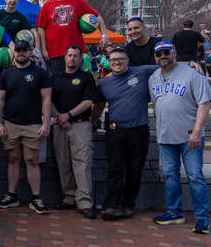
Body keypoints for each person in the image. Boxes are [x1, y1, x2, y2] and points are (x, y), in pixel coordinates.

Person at [148, 41, 211, 234]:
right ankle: (175, 213)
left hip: (189, 136)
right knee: (170, 176)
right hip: (165, 136)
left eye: (166, 53)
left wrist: (197, 130)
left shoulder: (193, 74)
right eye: (159, 54)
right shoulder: (153, 78)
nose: (163, 57)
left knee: (195, 177)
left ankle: (202, 219)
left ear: (174, 52)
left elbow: (205, 103)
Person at [90, 47, 158, 221]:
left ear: (128, 60)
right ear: (108, 62)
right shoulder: (105, 83)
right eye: (113, 60)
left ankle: (128, 205)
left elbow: (165, 65)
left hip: (139, 130)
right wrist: (91, 123)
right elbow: (98, 105)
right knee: (115, 169)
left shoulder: (142, 72)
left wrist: (189, 64)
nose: (117, 62)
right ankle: (112, 206)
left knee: (135, 170)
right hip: (115, 131)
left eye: (120, 59)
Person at [0, 40, 52, 214]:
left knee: (31, 160)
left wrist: (46, 123)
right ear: (15, 53)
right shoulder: (6, 74)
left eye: (24, 51)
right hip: (11, 123)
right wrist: (0, 123)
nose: (21, 53)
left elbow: (47, 99)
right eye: (18, 51)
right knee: (13, 159)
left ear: (30, 52)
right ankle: (11, 196)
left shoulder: (40, 73)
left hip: (33, 123)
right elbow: (0, 101)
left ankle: (36, 198)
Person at [50, 46, 99, 219]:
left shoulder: (86, 77)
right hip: (59, 125)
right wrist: (59, 117)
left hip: (79, 124)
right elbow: (48, 100)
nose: (72, 59)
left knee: (82, 162)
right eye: (69, 55)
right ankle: (69, 196)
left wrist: (68, 115)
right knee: (63, 162)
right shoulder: (55, 78)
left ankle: (85, 202)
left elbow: (89, 101)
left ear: (80, 59)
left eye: (75, 56)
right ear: (65, 57)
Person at [36, 0, 109, 75]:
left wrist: (104, 36)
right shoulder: (47, 5)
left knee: (75, 83)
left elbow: (98, 16)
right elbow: (41, 28)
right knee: (54, 84)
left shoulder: (77, 2)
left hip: (74, 53)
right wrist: (43, 50)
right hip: (53, 51)